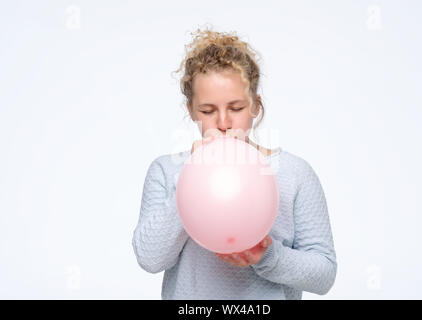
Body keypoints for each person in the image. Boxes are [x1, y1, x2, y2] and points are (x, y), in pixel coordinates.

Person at [132, 27, 337, 300]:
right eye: (208, 110)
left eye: (236, 108)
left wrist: (268, 256)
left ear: (256, 106)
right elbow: (149, 259)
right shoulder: (168, 171)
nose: (224, 123)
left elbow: (324, 275)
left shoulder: (294, 173)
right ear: (191, 109)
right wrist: (191, 178)